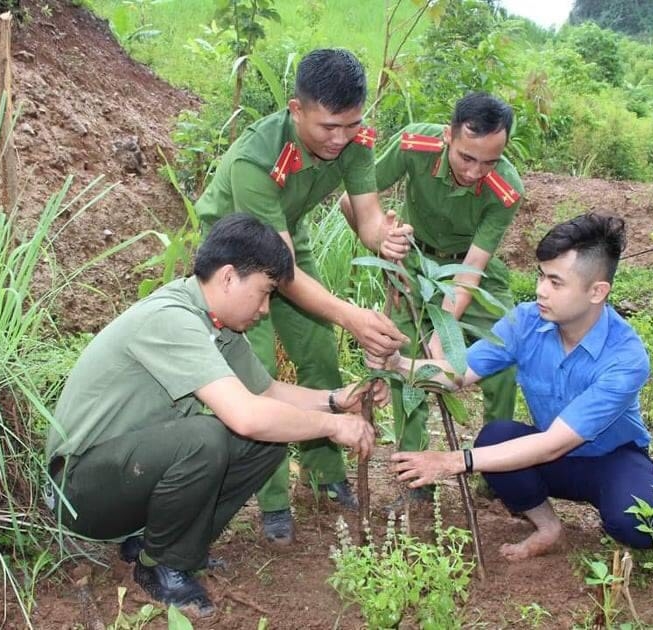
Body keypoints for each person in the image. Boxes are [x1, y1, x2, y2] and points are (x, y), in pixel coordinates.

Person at [46, 214, 386, 616]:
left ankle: (166, 544)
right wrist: (333, 426)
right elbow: (246, 415)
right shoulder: (172, 318)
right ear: (228, 278)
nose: (264, 309)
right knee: (207, 437)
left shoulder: (218, 326)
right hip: (80, 492)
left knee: (268, 442)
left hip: (127, 478)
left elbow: (269, 394)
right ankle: (162, 568)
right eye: (263, 293)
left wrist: (336, 400)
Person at [195, 48, 412, 544]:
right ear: (296, 110)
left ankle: (322, 470)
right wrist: (350, 315)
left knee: (319, 358)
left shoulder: (354, 141)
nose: (340, 139)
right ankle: (272, 500)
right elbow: (279, 270)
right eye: (327, 127)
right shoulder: (257, 158)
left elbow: (370, 218)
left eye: (351, 125)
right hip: (236, 259)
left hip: (288, 239)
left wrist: (387, 239)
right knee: (257, 375)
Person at [367, 213, 653, 560]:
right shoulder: (526, 321)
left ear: (597, 291)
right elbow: (458, 375)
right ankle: (548, 526)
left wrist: (452, 461)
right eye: (541, 276)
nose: (540, 290)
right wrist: (400, 364)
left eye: (556, 282)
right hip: (553, 459)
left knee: (639, 525)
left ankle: (620, 507)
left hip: (612, 458)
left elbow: (553, 444)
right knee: (495, 439)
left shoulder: (625, 357)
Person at [342, 92, 523, 507]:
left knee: (503, 359)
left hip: (474, 277)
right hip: (415, 264)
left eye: (490, 161)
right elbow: (351, 198)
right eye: (466, 158)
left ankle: (495, 473)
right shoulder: (413, 145)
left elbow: (473, 269)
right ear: (447, 136)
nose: (476, 171)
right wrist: (383, 247)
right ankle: (415, 482)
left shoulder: (506, 188)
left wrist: (442, 332)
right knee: (402, 367)